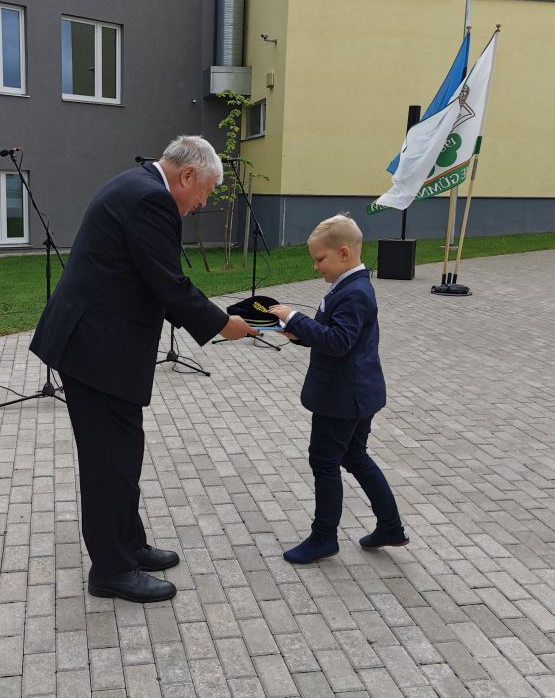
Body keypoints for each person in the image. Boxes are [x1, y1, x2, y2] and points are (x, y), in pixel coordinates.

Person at [29, 135, 258, 602]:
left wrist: (212, 318)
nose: (203, 203)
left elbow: (150, 279)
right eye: (205, 192)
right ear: (187, 175)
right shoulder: (151, 199)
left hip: (97, 346)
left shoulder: (137, 185)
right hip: (95, 351)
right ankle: (111, 570)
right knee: (109, 463)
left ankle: (129, 545)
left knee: (122, 455)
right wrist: (221, 324)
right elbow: (168, 283)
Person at [267, 214, 408, 564]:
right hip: (357, 393)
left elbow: (339, 342)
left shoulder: (355, 292)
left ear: (343, 253)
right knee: (354, 455)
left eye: (320, 259)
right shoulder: (350, 285)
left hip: (343, 398)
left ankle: (324, 537)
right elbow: (332, 335)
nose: (316, 267)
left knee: (325, 461)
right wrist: (298, 334)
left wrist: (295, 317)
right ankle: (390, 526)